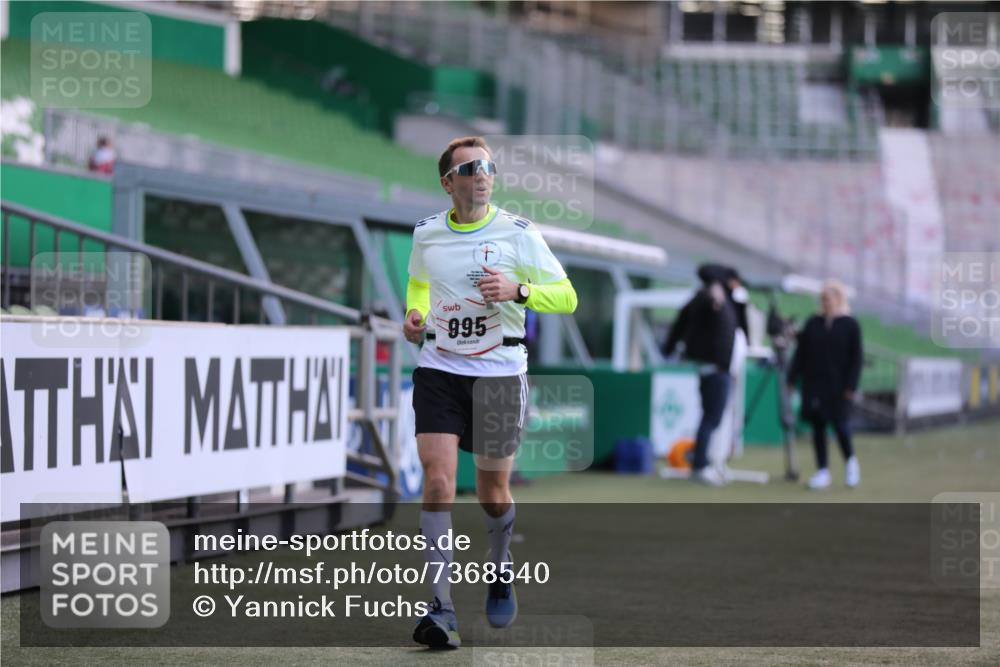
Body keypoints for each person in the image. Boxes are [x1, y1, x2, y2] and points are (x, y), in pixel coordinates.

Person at [403, 136, 578, 649]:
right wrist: (415, 315)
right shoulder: (426, 233)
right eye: (471, 167)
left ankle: (500, 568)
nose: (483, 174)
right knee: (437, 482)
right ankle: (441, 609)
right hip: (438, 368)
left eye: (489, 167)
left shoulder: (519, 234)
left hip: (500, 374)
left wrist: (519, 291)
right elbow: (418, 284)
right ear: (448, 182)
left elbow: (567, 296)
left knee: (491, 494)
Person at [662, 264, 746, 486]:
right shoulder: (709, 296)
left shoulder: (724, 300)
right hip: (715, 369)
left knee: (713, 418)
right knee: (711, 418)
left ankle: (710, 463)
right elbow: (686, 318)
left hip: (720, 369)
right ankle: (700, 466)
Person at [787, 280, 863, 490]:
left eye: (828, 298)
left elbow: (856, 358)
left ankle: (850, 463)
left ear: (838, 299)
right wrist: (792, 378)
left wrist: (851, 386)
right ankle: (822, 470)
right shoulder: (814, 322)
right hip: (814, 384)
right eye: (822, 298)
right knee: (818, 427)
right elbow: (801, 353)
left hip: (838, 386)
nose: (824, 302)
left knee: (840, 426)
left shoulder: (850, 324)